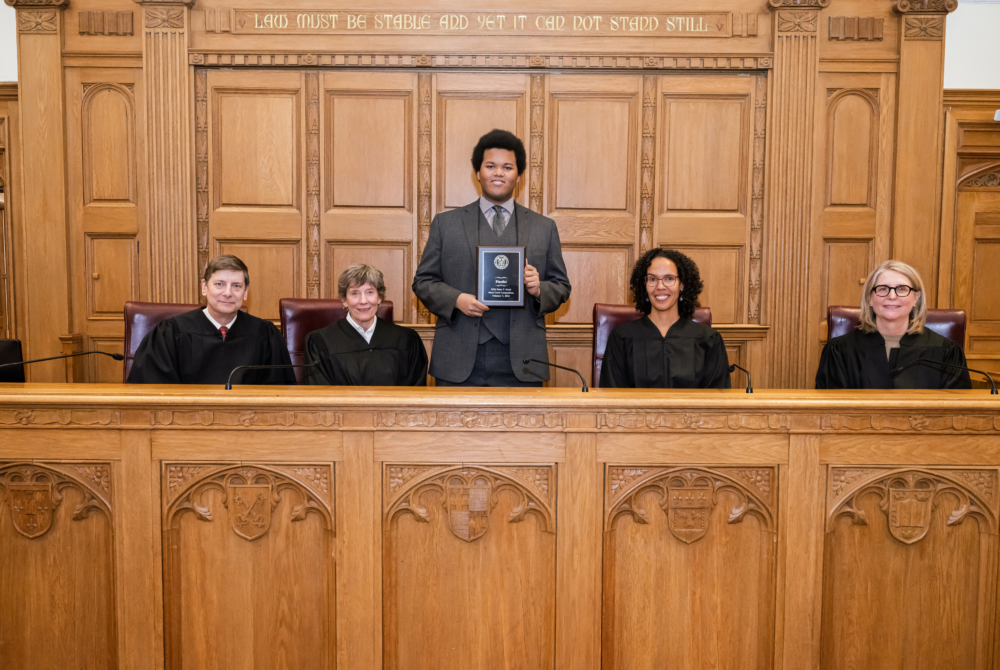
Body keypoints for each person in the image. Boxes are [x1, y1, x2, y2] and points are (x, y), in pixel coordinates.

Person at [412, 129, 571, 386]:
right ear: (478, 172)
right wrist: (457, 300)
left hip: (522, 360)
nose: (499, 172)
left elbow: (562, 287)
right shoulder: (446, 224)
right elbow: (423, 281)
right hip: (459, 357)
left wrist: (538, 288)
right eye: (491, 166)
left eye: (507, 167)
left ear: (519, 175)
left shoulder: (544, 227)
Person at [127, 255, 296, 385]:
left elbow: (279, 392)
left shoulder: (265, 334)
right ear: (204, 287)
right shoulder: (171, 333)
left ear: (245, 292)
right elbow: (154, 390)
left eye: (236, 285)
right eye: (219, 284)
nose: (228, 293)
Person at [816, 260, 971, 389]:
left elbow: (957, 413)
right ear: (870, 298)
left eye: (902, 289)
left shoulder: (945, 352)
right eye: (882, 289)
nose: (892, 296)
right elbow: (830, 413)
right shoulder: (840, 352)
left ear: (916, 298)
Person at [600, 248, 731, 389]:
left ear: (682, 285)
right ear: (644, 285)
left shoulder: (708, 340)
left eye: (669, 278)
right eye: (652, 279)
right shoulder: (622, 338)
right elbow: (612, 399)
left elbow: (717, 401)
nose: (660, 286)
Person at [305, 264, 428, 386]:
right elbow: (321, 396)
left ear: (379, 298)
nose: (363, 301)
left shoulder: (406, 340)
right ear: (344, 300)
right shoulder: (321, 342)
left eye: (370, 292)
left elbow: (416, 395)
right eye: (355, 293)